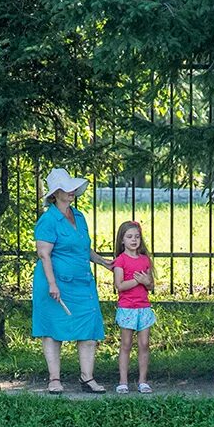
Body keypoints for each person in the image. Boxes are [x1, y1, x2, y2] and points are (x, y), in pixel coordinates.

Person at [33, 168, 113, 394]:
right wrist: (52, 284)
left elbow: (83, 248)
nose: (72, 193)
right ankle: (54, 379)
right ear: (55, 193)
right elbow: (44, 254)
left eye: (72, 189)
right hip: (55, 284)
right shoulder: (48, 220)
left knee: (88, 330)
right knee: (53, 330)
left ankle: (87, 379)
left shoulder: (78, 216)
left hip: (82, 283)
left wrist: (103, 262)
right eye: (67, 190)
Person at [111, 220, 155, 394]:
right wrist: (137, 281)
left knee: (144, 344)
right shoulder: (120, 261)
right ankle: (123, 381)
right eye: (129, 237)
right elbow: (119, 285)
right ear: (122, 240)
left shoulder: (145, 260)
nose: (134, 240)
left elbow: (150, 285)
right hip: (127, 308)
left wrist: (146, 282)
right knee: (126, 344)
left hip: (144, 307)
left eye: (137, 236)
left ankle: (142, 380)